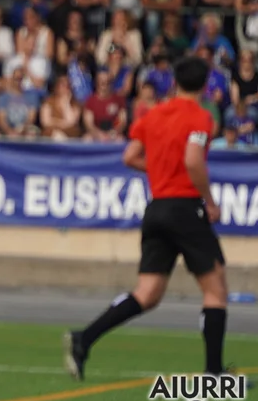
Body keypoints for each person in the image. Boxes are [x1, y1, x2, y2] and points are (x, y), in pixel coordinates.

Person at [65, 56, 237, 381]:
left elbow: (130, 156)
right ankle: (213, 373)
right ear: (205, 85)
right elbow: (193, 160)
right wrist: (210, 201)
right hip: (186, 207)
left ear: (174, 82)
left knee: (148, 292)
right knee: (216, 288)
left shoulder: (154, 114)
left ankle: (84, 338)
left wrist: (159, 171)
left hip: (156, 209)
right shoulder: (200, 117)